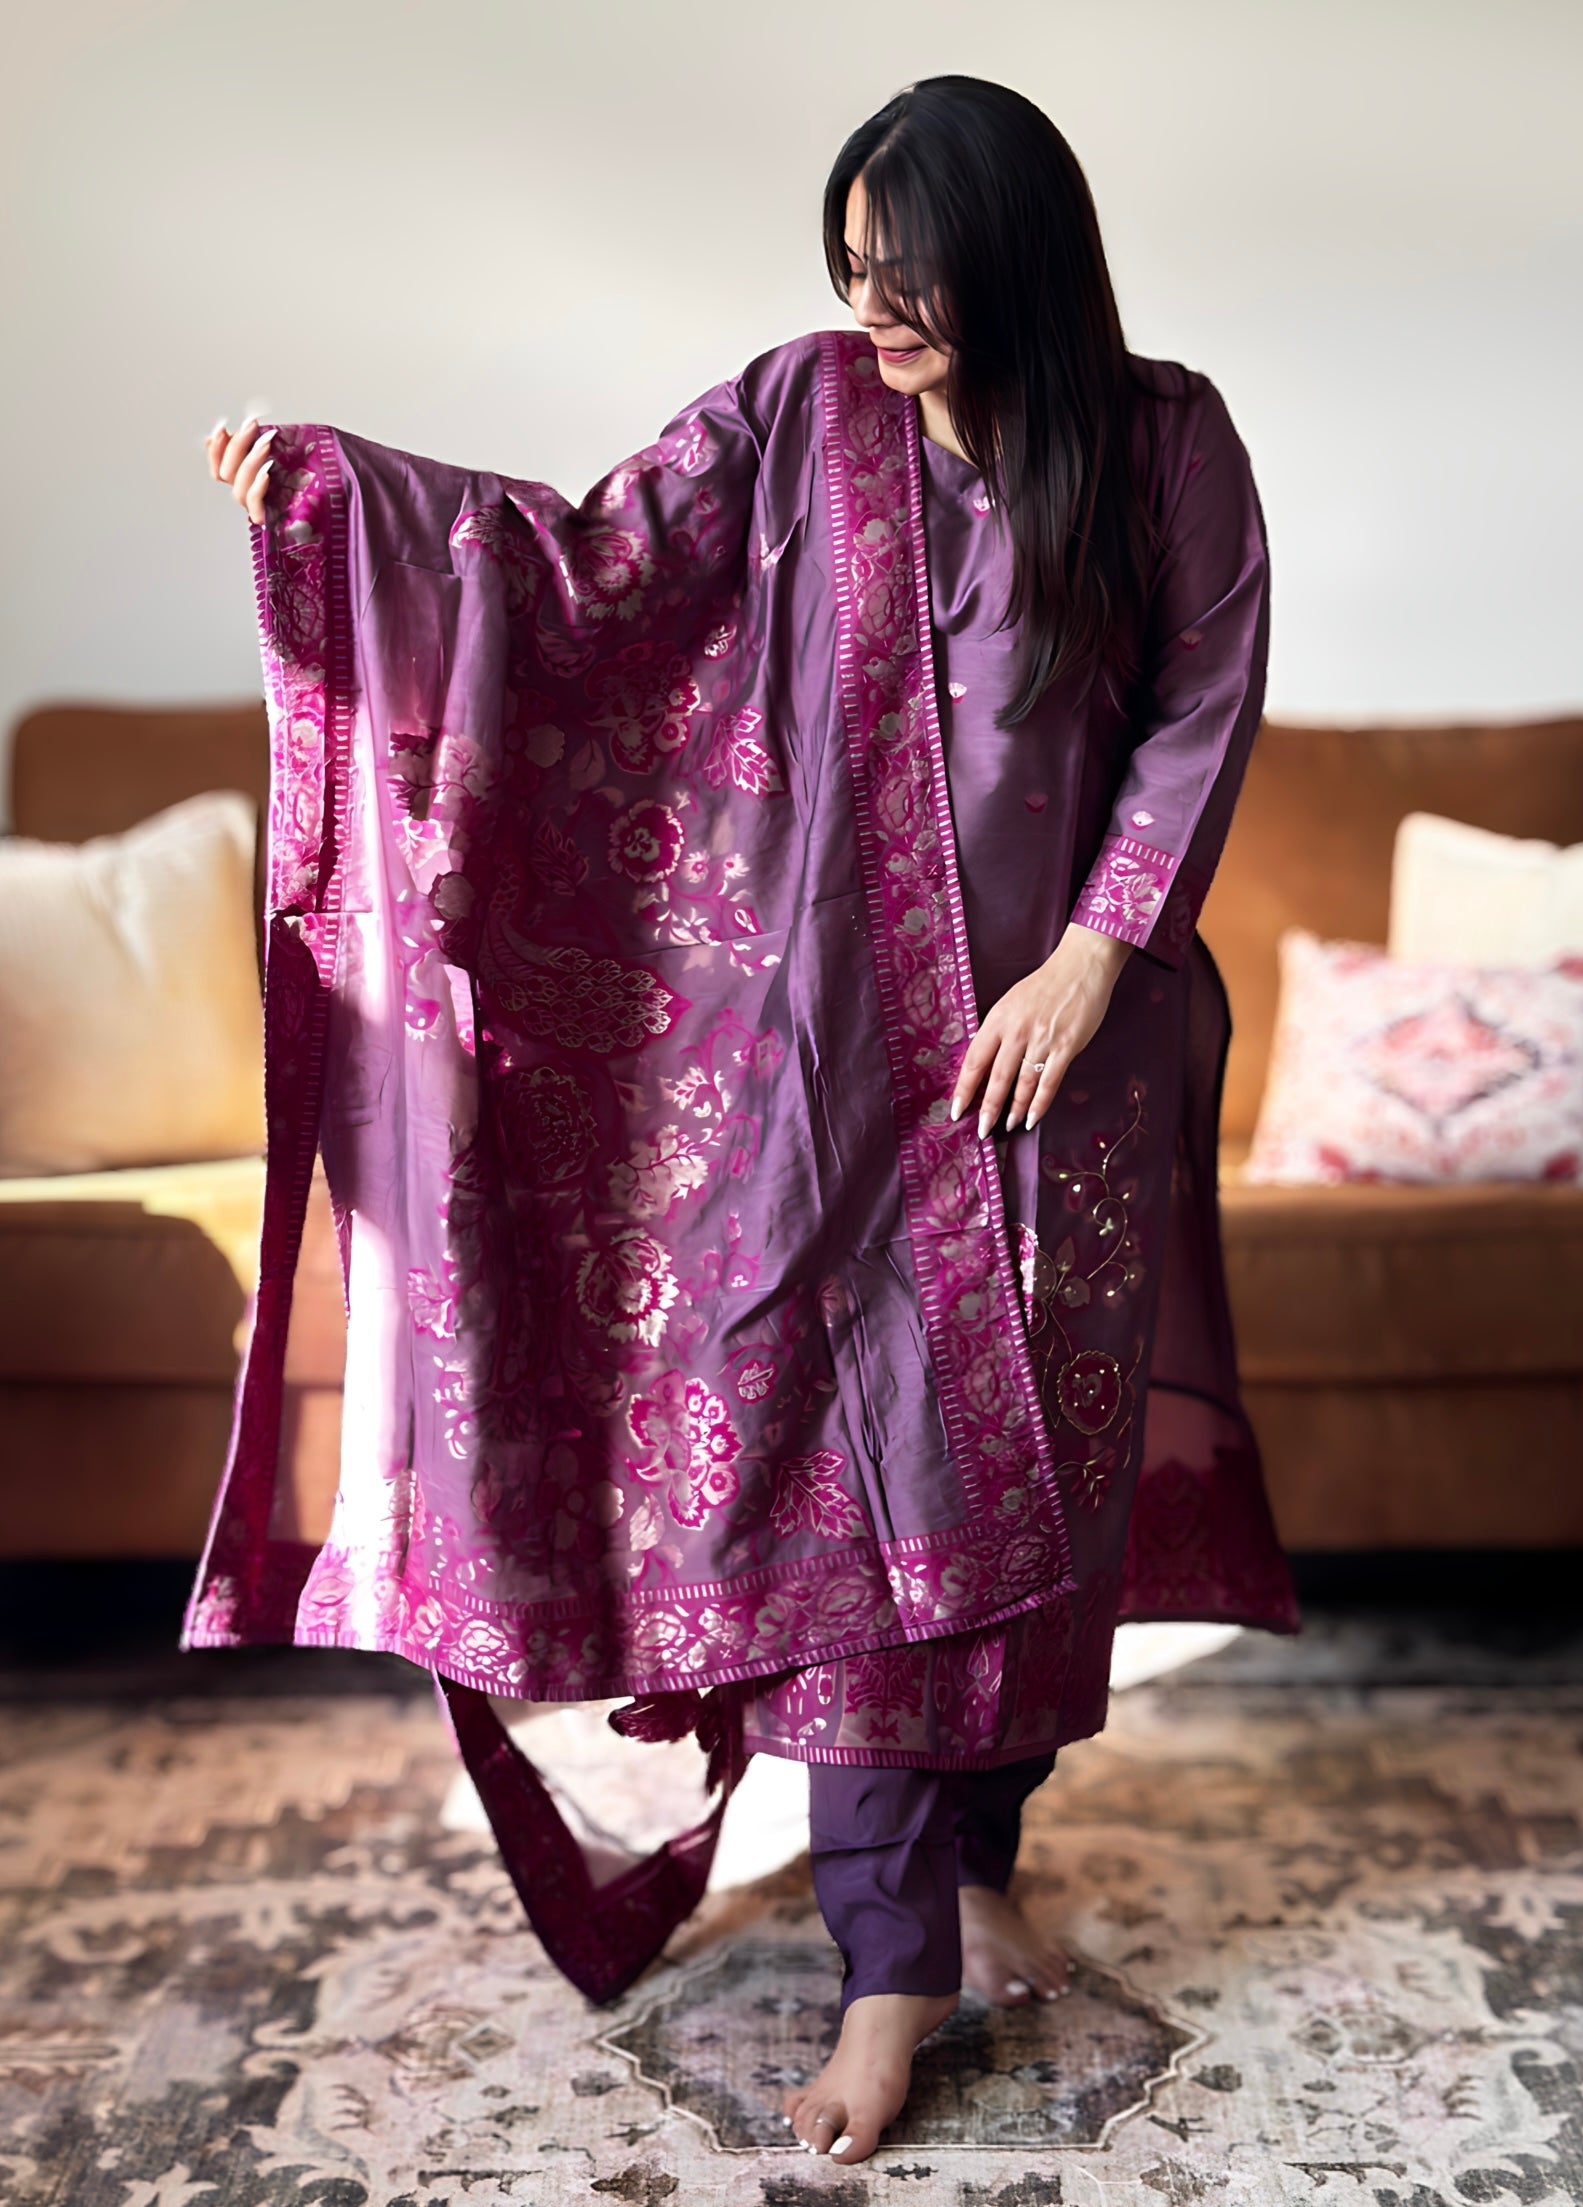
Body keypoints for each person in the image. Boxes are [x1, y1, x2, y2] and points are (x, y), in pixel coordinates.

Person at [198, 76, 1295, 2166]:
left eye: (916, 274)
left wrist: (1094, 960)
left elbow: (1199, 702)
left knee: (1035, 1511)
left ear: (1023, 268)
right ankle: (892, 1975)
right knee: (871, 1521)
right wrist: (339, 496)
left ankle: (973, 1851)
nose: (873, 307)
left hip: (1074, 1061)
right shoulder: (807, 414)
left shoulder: (1165, 443)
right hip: (838, 1077)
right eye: (853, 266)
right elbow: (580, 559)